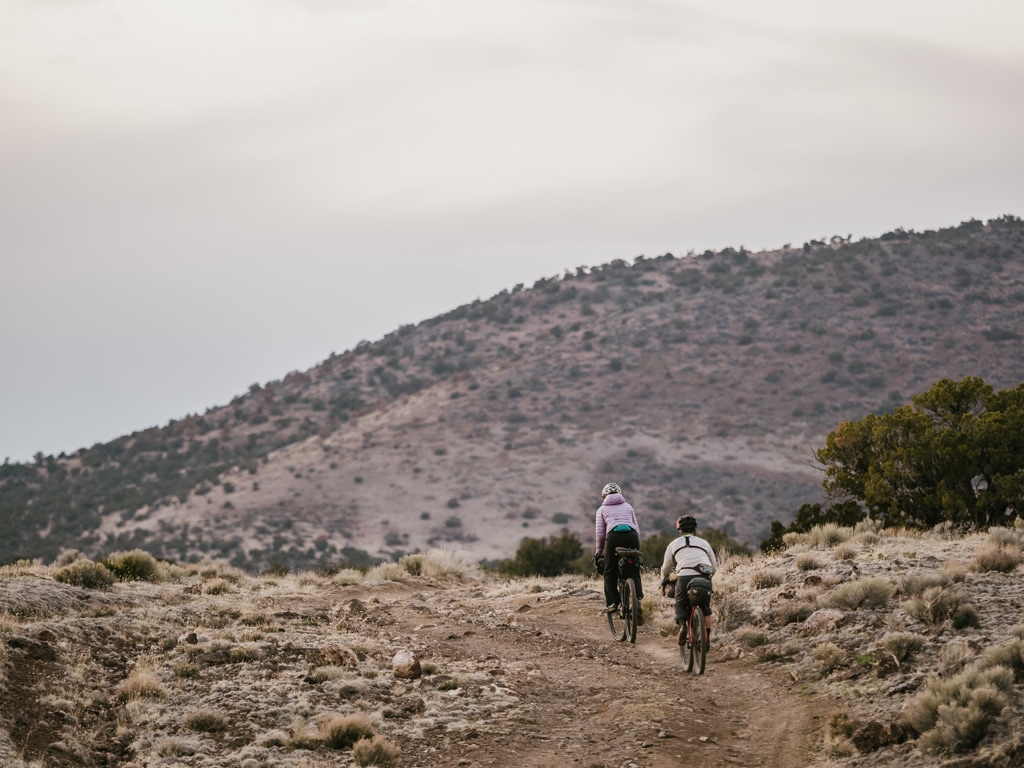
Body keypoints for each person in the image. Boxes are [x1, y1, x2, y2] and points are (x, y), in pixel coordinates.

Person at [660, 515, 718, 646]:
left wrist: (664, 580)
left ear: (679, 530)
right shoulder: (704, 543)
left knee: (680, 603)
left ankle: (682, 626)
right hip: (704, 576)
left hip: (684, 576)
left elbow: (666, 567)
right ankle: (706, 639)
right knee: (706, 609)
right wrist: (707, 579)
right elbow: (713, 567)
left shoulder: (673, 544)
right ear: (695, 529)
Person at [594, 482, 644, 616]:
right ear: (620, 494)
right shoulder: (628, 506)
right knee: (634, 569)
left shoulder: (602, 509)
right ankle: (637, 600)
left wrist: (599, 551)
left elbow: (600, 534)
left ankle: (613, 602)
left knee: (610, 570)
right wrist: (636, 545)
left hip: (614, 536)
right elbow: (636, 527)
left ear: (604, 496)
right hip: (632, 536)